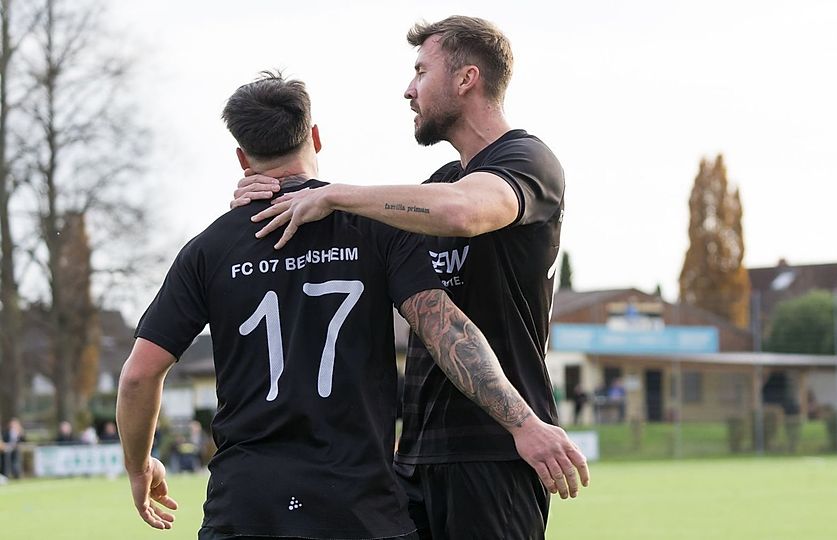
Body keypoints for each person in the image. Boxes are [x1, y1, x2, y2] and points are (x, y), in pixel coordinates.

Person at [118, 72, 582, 539]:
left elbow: (139, 375)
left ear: (243, 159)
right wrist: (524, 421)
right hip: (360, 510)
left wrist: (138, 466)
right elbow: (445, 331)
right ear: (315, 136)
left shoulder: (208, 249)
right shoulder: (378, 228)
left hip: (243, 508)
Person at [233, 16, 586, 538]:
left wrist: (333, 193)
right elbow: (361, 244)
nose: (408, 89)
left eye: (421, 71)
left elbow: (465, 212)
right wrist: (271, 197)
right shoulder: (438, 184)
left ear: (466, 79)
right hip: (415, 458)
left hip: (493, 451)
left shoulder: (528, 160)